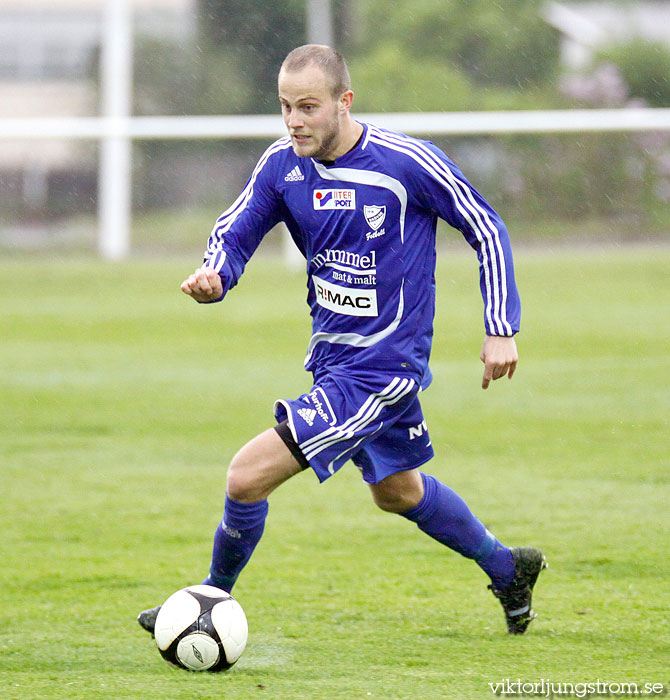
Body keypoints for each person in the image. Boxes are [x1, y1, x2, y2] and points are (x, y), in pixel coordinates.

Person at [138, 44, 546, 637]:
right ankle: (509, 569)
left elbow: (486, 227)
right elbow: (236, 230)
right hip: (334, 361)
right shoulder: (283, 166)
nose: (295, 120)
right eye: (285, 107)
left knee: (245, 475)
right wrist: (215, 275)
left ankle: (205, 606)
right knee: (397, 491)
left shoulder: (405, 162)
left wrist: (500, 327)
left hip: (383, 369)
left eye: (308, 106)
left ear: (343, 102)